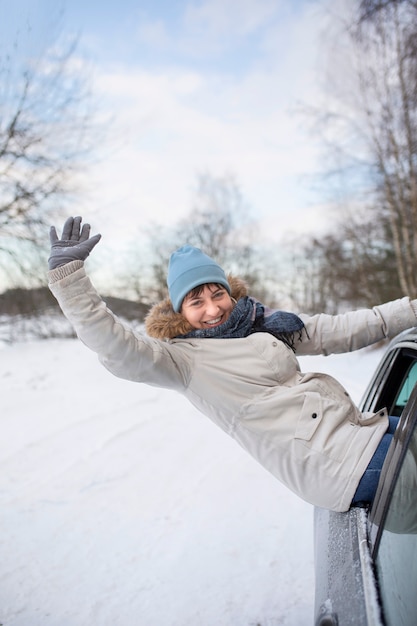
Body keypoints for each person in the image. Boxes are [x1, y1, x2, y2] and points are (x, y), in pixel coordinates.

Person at [48, 216, 417, 513]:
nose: (213, 309)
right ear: (180, 312)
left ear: (229, 291)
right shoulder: (182, 360)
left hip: (357, 431)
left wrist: (411, 310)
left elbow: (344, 328)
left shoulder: (266, 325)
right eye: (196, 301)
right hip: (335, 465)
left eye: (217, 293)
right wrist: (71, 281)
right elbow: (117, 346)